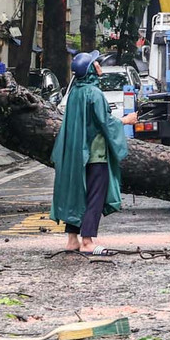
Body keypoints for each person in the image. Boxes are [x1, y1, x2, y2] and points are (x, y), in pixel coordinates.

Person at [50, 51, 135, 256]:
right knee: (94, 197)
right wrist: (125, 121)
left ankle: (72, 239)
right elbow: (104, 122)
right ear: (90, 70)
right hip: (95, 155)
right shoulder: (94, 94)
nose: (99, 66)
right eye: (96, 64)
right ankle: (87, 241)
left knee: (76, 194)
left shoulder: (75, 93)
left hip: (75, 155)